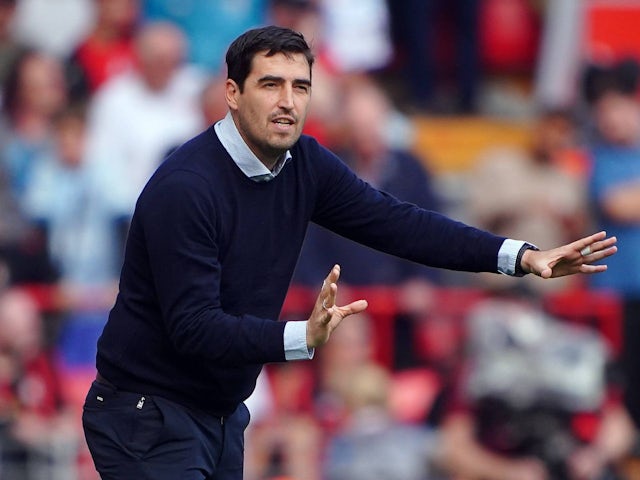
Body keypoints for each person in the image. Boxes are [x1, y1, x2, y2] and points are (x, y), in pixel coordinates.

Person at [82, 25, 617, 480]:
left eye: (300, 86)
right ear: (232, 93)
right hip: (146, 411)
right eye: (270, 84)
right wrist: (302, 337)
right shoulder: (187, 187)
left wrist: (521, 256)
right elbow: (193, 327)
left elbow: (396, 223)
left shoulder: (304, 162)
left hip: (219, 412)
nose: (288, 101)